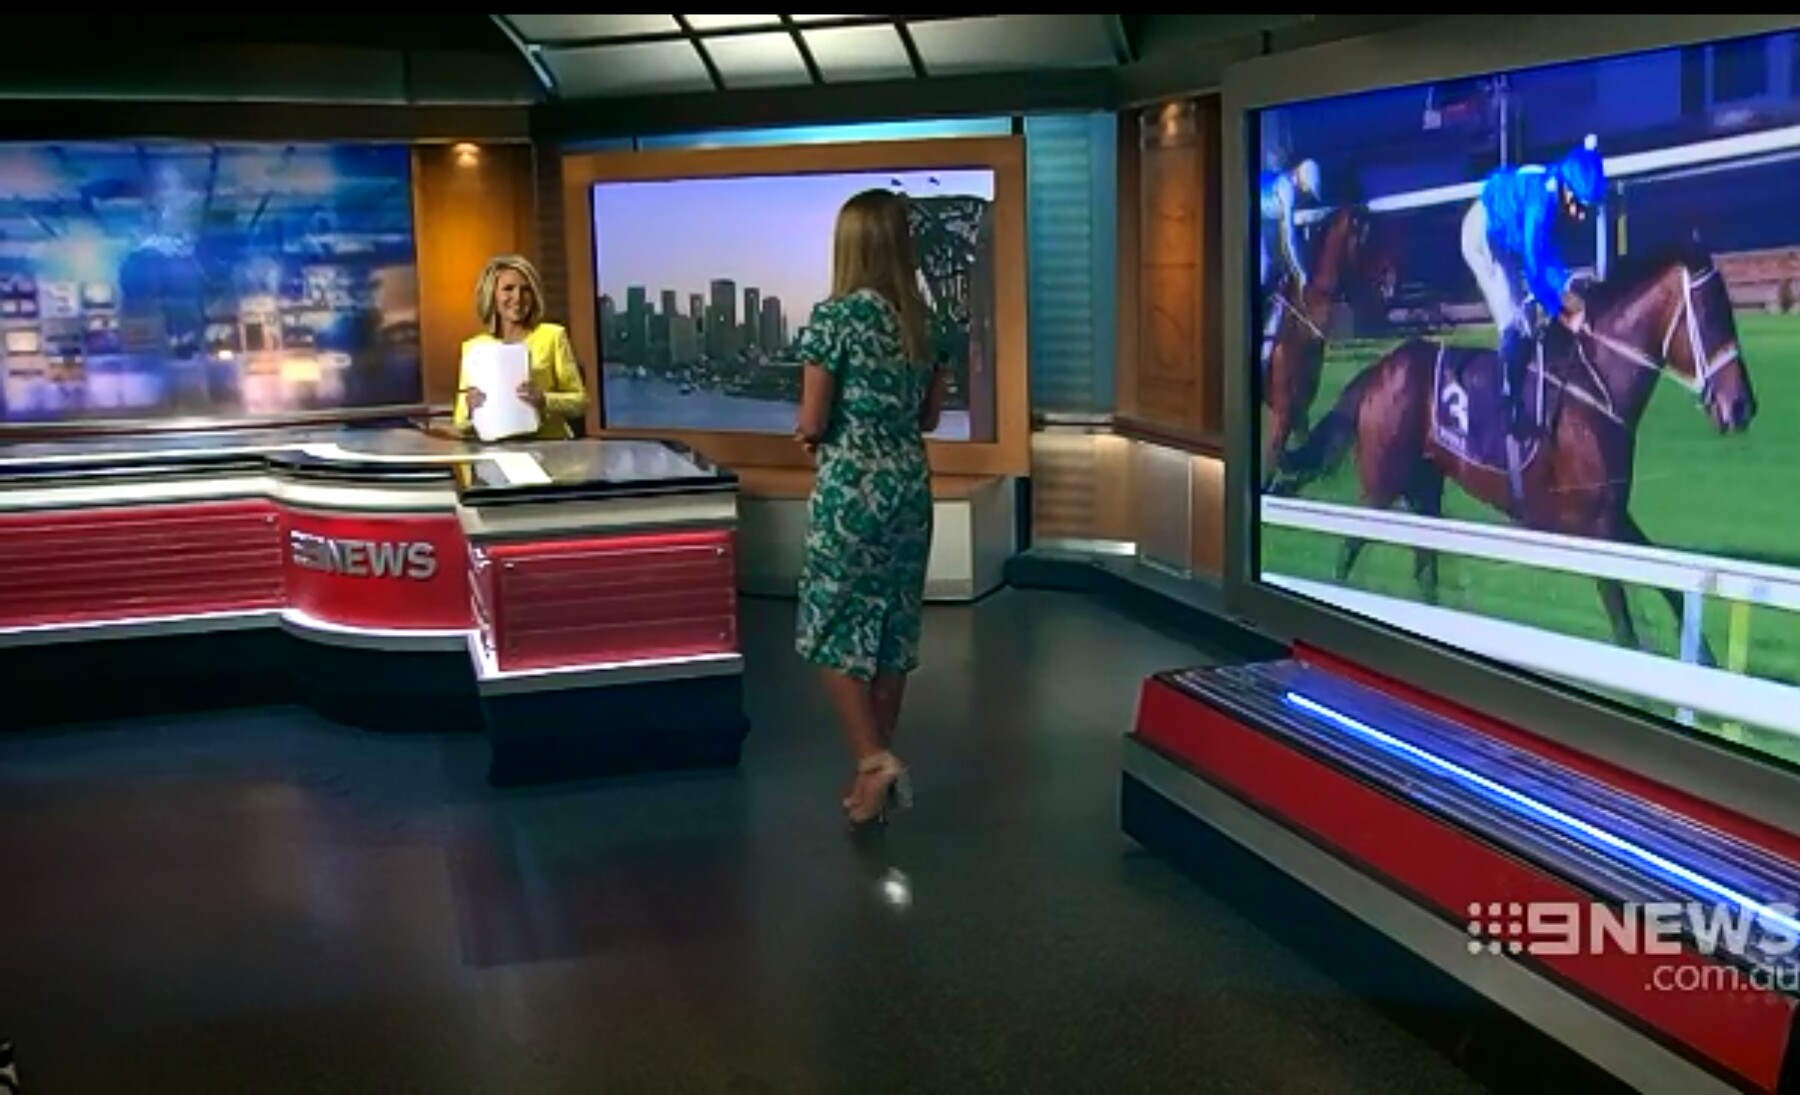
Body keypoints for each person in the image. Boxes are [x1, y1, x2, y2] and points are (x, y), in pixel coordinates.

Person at [792, 188, 946, 829]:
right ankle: (872, 777)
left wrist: (813, 437)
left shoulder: (835, 318)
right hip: (909, 487)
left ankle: (873, 759)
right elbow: (929, 417)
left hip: (851, 491)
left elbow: (812, 420)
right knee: (891, 633)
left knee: (829, 629)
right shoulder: (926, 323)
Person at [1460, 134, 1606, 445]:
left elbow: (1547, 259)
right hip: (1482, 235)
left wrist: (1566, 286)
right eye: (1580, 206)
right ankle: (1506, 413)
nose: (1582, 216)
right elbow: (1534, 264)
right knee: (1516, 323)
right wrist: (1563, 310)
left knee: (1530, 321)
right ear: (1568, 188)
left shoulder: (1554, 192)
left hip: (1505, 239)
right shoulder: (1542, 203)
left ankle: (1526, 391)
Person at [454, 254, 589, 440]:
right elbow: (460, 422)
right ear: (492, 295)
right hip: (497, 449)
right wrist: (470, 409)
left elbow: (580, 402)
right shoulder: (474, 348)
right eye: (508, 289)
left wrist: (545, 400)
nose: (518, 297)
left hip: (550, 447)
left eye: (526, 290)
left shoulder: (553, 336)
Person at [1259, 158, 1323, 369]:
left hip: (1259, 218)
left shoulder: (1285, 182)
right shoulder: (1286, 189)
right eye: (1307, 191)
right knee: (1263, 271)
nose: (1305, 195)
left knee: (1270, 267)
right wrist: (1300, 272)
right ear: (1303, 182)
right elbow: (1288, 238)